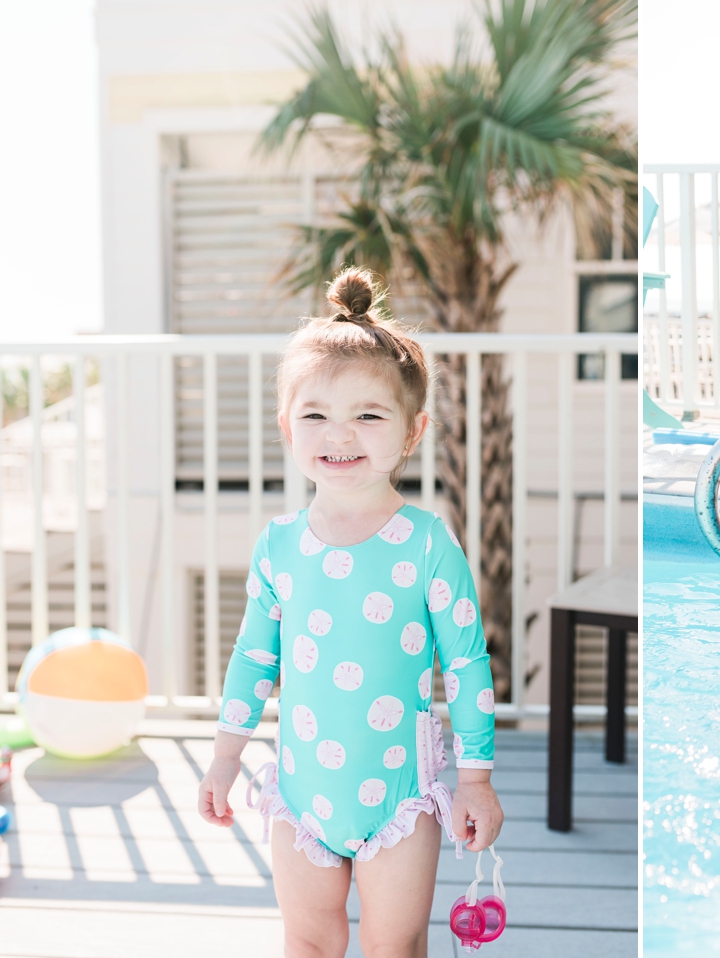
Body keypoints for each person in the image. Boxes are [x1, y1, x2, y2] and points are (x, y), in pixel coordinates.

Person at [197, 267, 503, 957]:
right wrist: (223, 760)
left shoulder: (427, 544)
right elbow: (253, 660)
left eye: (368, 415)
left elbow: (465, 662)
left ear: (412, 430)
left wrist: (476, 781)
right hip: (302, 797)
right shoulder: (280, 545)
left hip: (401, 797)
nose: (341, 434)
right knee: (307, 941)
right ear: (287, 427)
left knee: (394, 947)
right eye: (316, 415)